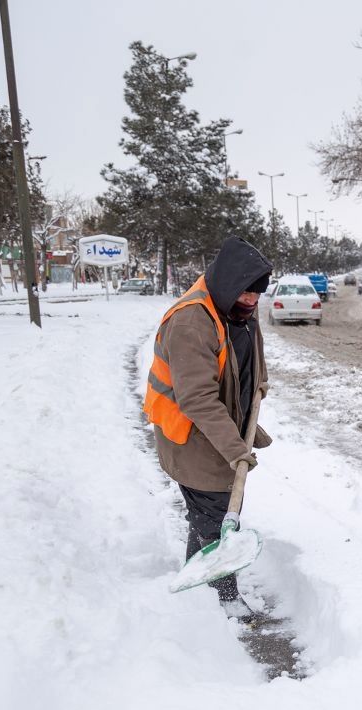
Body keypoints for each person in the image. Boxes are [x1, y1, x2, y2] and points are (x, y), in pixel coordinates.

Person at [143, 236, 274, 618]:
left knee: (207, 513)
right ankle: (224, 597)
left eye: (257, 295)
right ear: (225, 284)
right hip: (190, 434)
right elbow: (197, 399)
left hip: (218, 426)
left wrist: (255, 401)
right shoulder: (191, 322)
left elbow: (250, 358)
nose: (251, 301)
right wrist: (236, 449)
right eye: (245, 293)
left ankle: (196, 579)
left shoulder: (235, 308)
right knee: (217, 517)